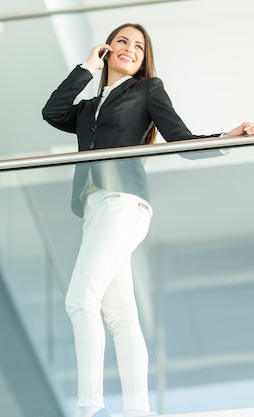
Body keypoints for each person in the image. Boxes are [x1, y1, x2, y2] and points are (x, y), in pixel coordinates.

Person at [42, 23, 253, 417]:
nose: (130, 49)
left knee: (79, 299)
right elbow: (52, 112)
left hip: (122, 202)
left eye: (139, 46)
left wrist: (226, 139)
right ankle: (139, 411)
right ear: (107, 49)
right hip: (93, 208)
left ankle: (88, 405)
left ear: (144, 59)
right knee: (120, 316)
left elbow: (180, 139)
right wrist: (87, 67)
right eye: (122, 41)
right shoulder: (88, 108)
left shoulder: (147, 91)